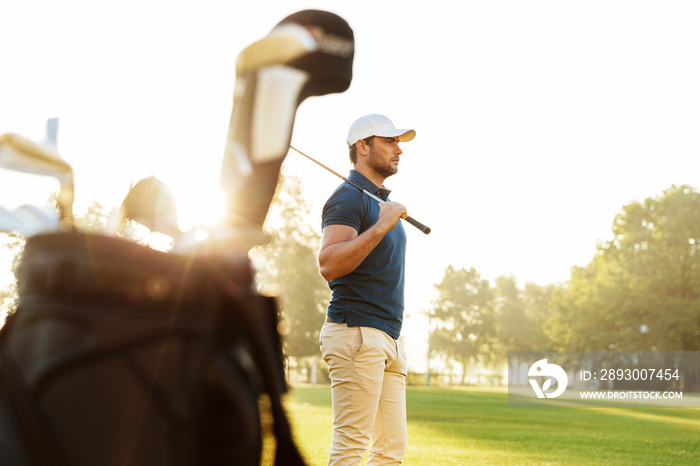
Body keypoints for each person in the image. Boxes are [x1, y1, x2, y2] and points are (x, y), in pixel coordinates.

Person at [318, 114, 416, 465]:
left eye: (399, 142)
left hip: (387, 337)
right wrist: (380, 228)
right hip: (357, 333)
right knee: (350, 449)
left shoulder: (377, 202)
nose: (398, 150)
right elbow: (328, 263)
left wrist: (384, 219)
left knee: (390, 451)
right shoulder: (348, 199)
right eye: (390, 141)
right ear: (362, 147)